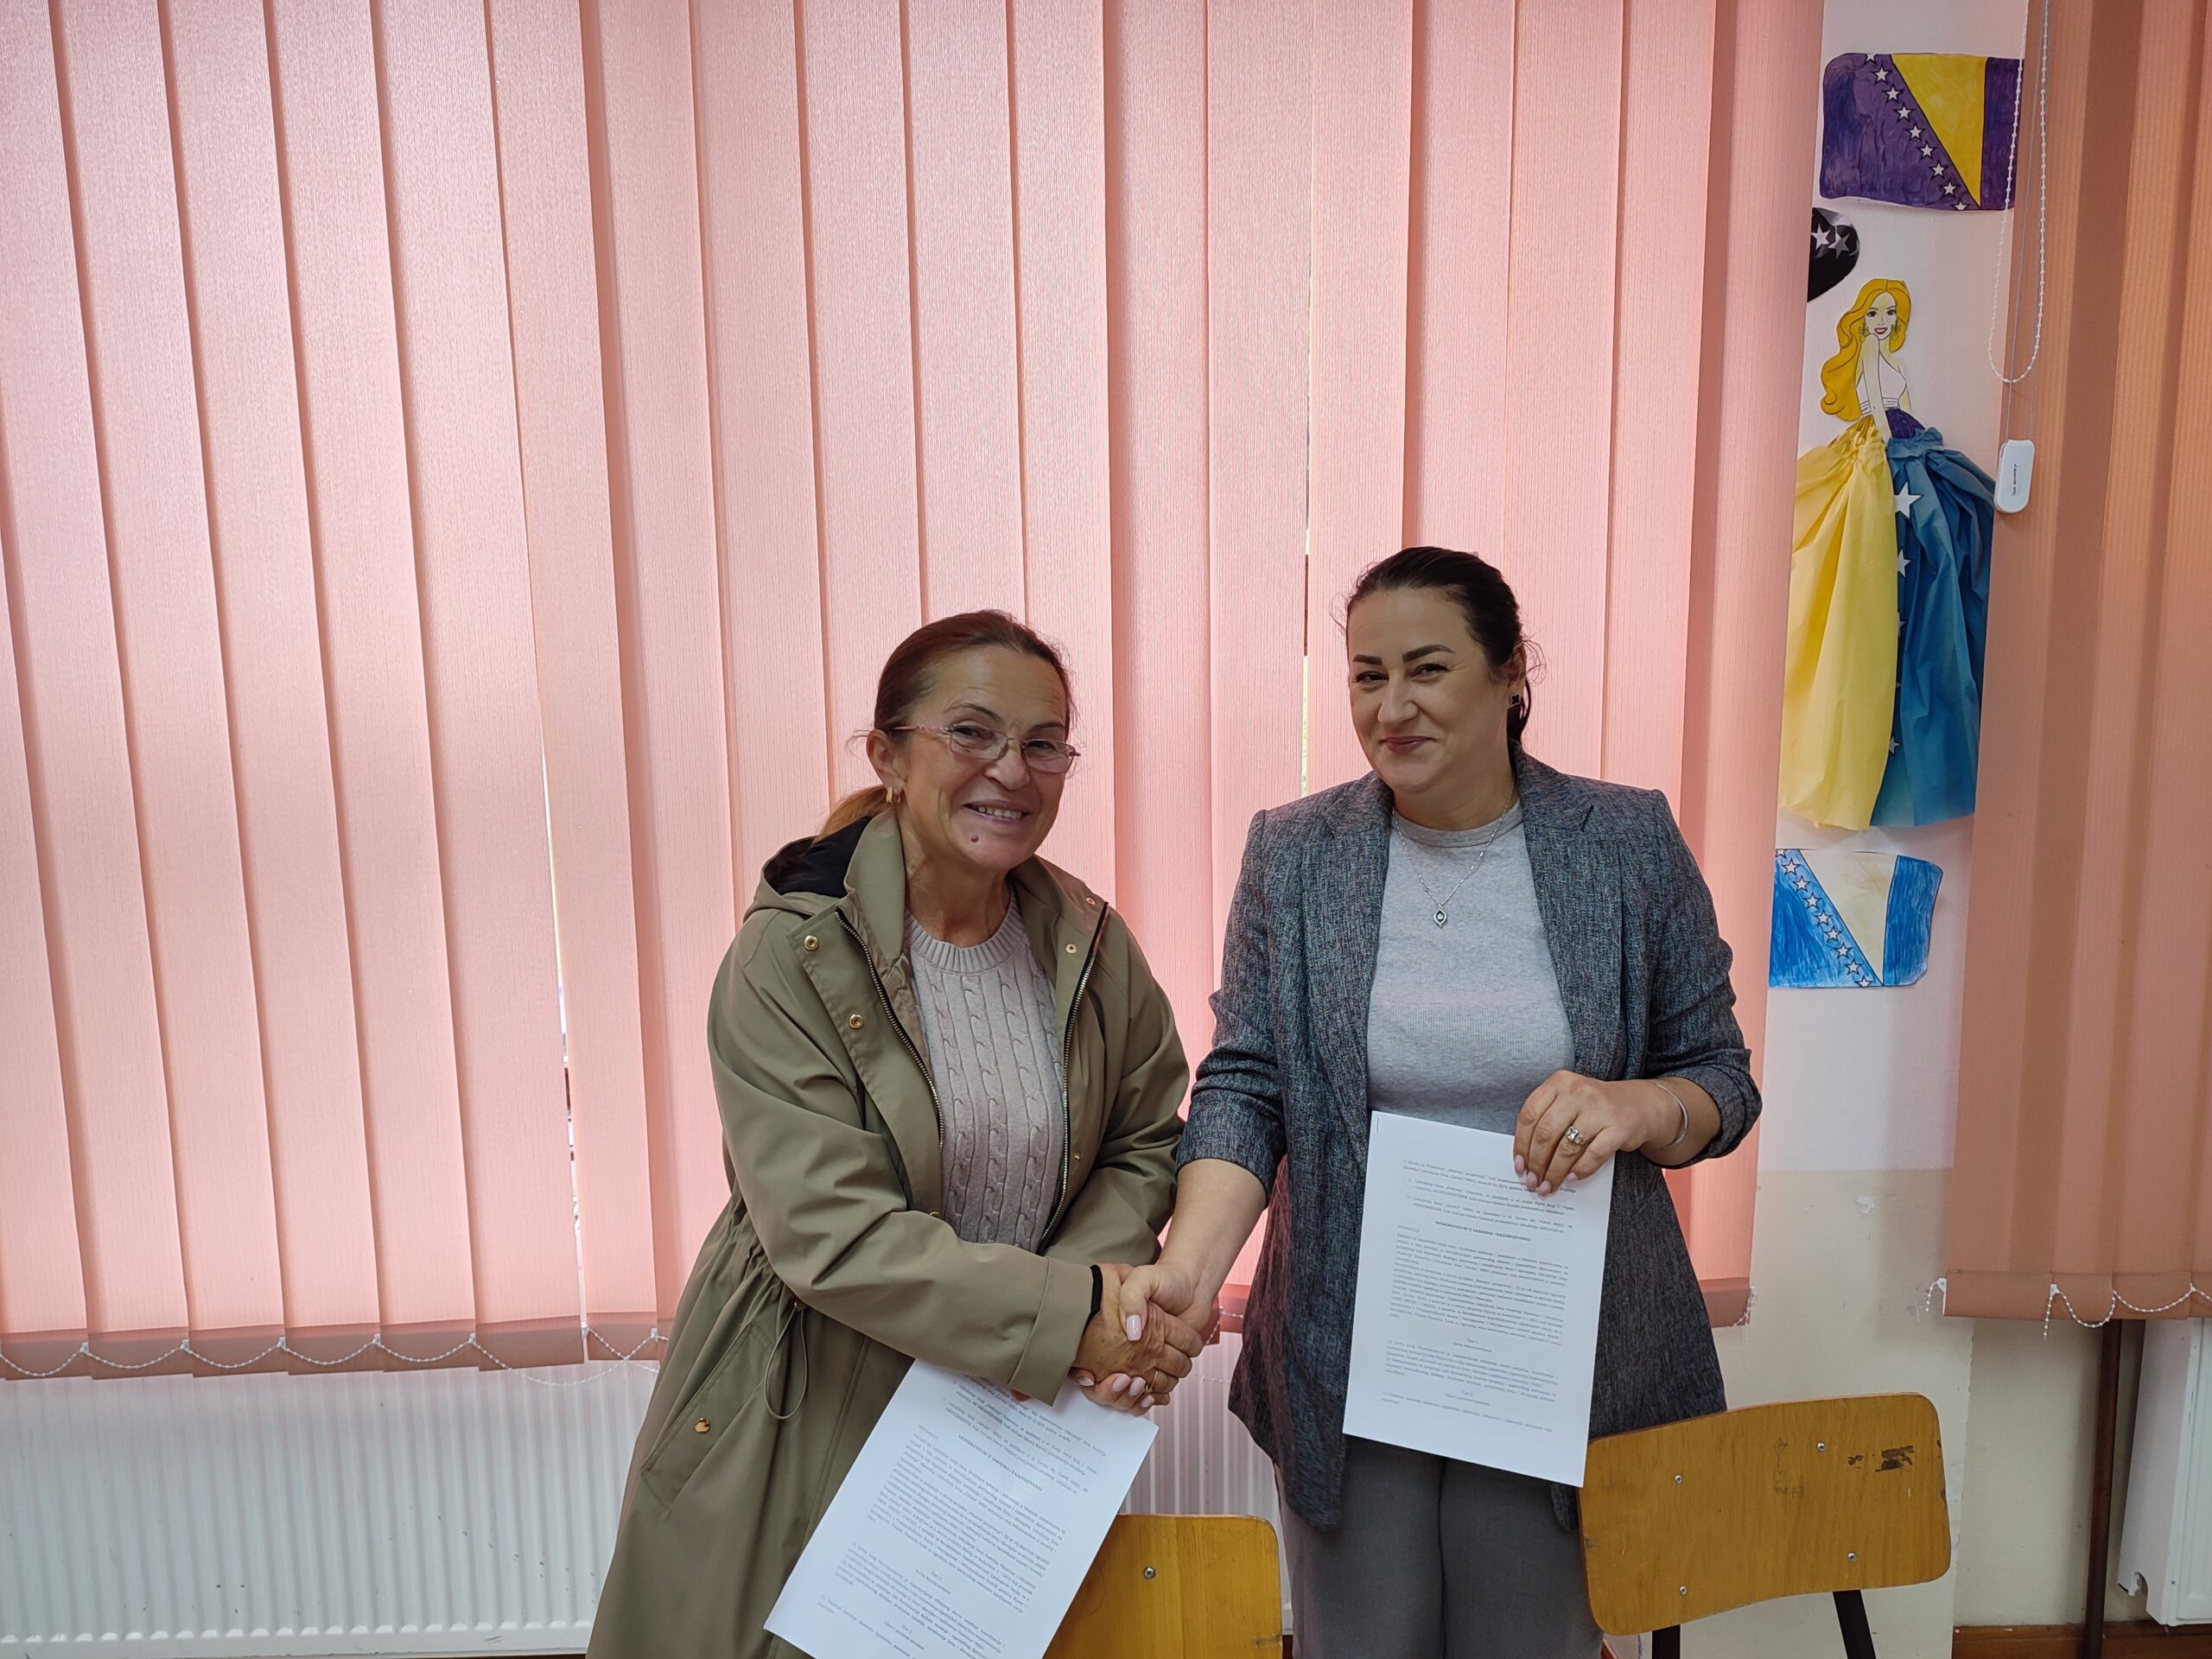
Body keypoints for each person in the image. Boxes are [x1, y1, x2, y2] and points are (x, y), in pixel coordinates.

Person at [1111, 548, 1762, 1657]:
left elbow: (1719, 1078)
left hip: (1557, 1343)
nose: (1391, 707)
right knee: (1362, 1638)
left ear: (1510, 676)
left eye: (1426, 669)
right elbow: (1248, 1083)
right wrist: (1190, 1269)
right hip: (1349, 1334)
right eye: (1367, 676)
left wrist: (1637, 1107)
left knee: (1530, 1638)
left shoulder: (1624, 841)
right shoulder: (1295, 852)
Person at [588, 611, 1202, 1659]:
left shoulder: (1089, 942)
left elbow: (1144, 1137)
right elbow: (834, 1236)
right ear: (886, 754)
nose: (1011, 771)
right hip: (806, 1392)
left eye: (1043, 744)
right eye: (972, 733)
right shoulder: (789, 954)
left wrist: (1085, 1303)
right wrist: (1073, 1317)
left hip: (1011, 1391)